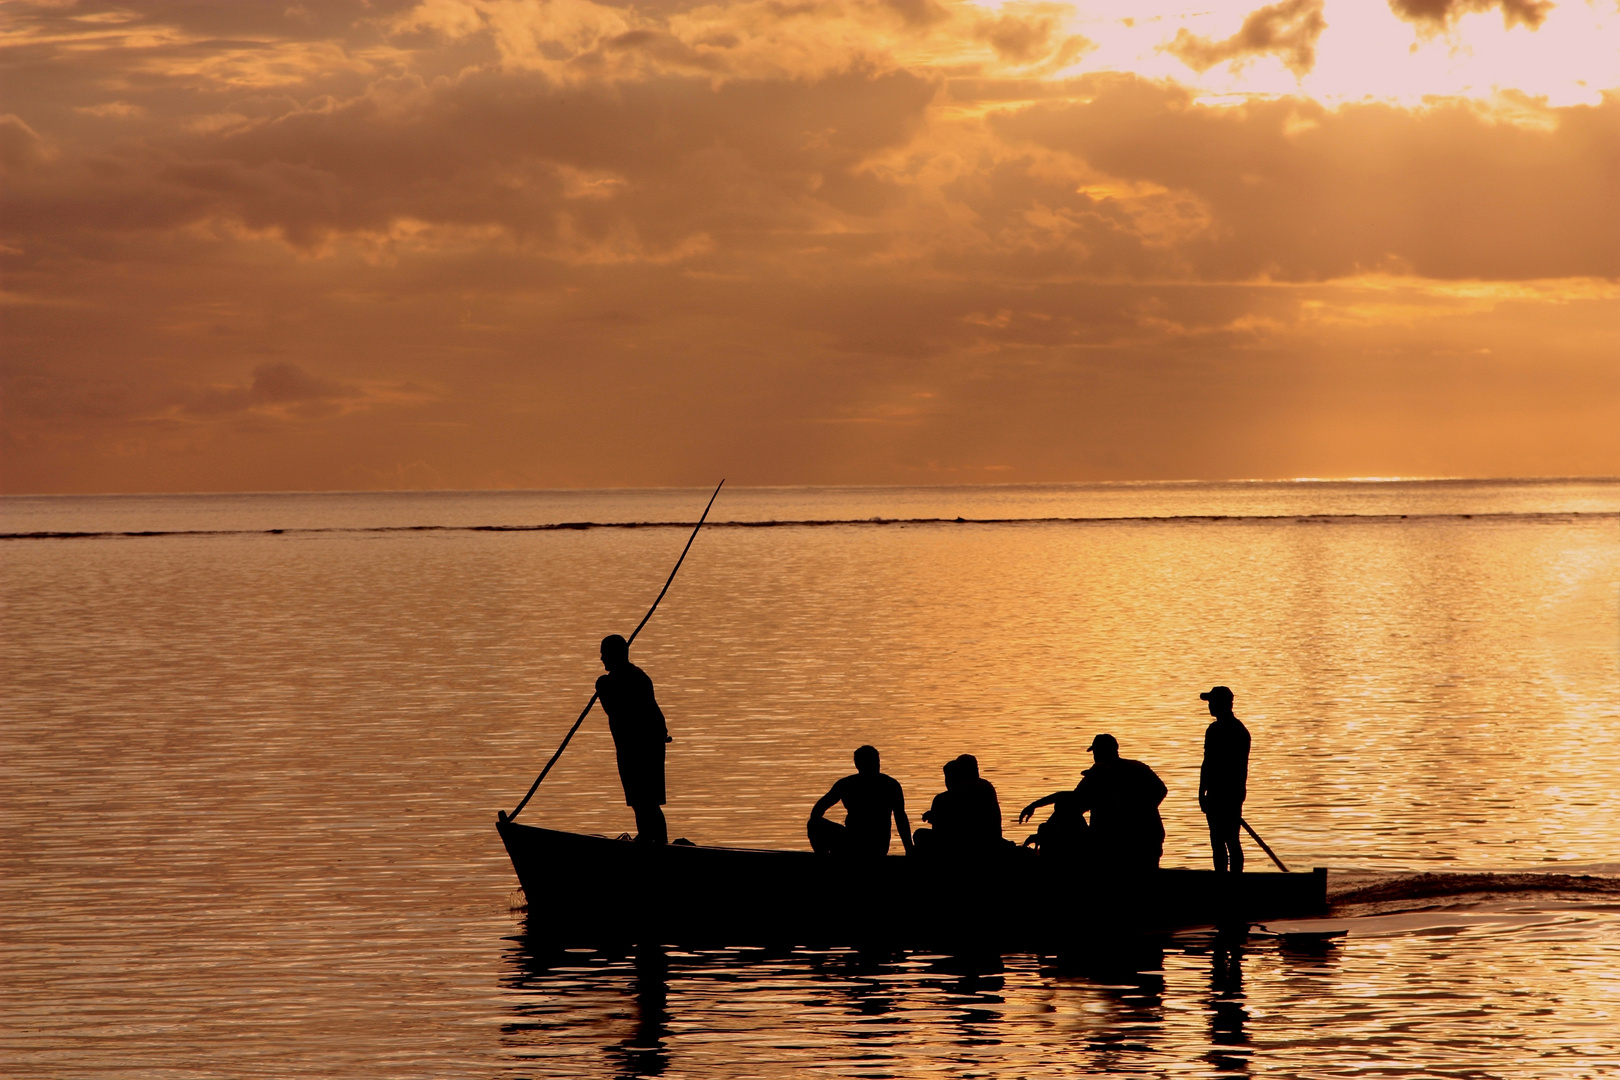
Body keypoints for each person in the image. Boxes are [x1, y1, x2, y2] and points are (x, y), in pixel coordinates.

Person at [1021, 733, 1166, 871]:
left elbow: (1069, 802)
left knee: (1063, 811)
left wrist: (1132, 814)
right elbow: (1071, 801)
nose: (1095, 756)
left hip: (1123, 846)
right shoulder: (1138, 768)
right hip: (1148, 843)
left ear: (1104, 752)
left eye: (1096, 752)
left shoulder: (1100, 774)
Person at [595, 634, 671, 845]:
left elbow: (614, 709)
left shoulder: (624, 679)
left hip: (640, 749)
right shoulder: (632, 677)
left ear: (615, 654)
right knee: (641, 801)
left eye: (604, 653)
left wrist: (602, 685)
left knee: (646, 801)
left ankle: (658, 843)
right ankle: (649, 838)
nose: (601, 658)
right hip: (635, 747)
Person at [807, 745, 914, 857]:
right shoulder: (847, 784)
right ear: (858, 765)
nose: (875, 765)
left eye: (876, 762)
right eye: (871, 762)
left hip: (876, 846)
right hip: (852, 841)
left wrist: (909, 849)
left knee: (814, 823)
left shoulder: (890, 785)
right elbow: (818, 809)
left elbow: (900, 818)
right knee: (814, 823)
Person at [1199, 685, 1251, 873]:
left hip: (1230, 794)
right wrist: (1201, 792)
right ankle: (1221, 878)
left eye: (1212, 702)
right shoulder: (1212, 730)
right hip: (1214, 794)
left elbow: (1237, 767)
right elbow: (1207, 763)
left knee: (1231, 840)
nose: (1209, 706)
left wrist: (1233, 795)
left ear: (1223, 704)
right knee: (1217, 840)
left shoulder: (1238, 731)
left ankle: (1234, 880)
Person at [914, 754, 1004, 854]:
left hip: (973, 842)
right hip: (991, 840)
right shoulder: (986, 785)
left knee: (919, 834)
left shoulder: (961, 791)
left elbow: (961, 818)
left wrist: (935, 816)